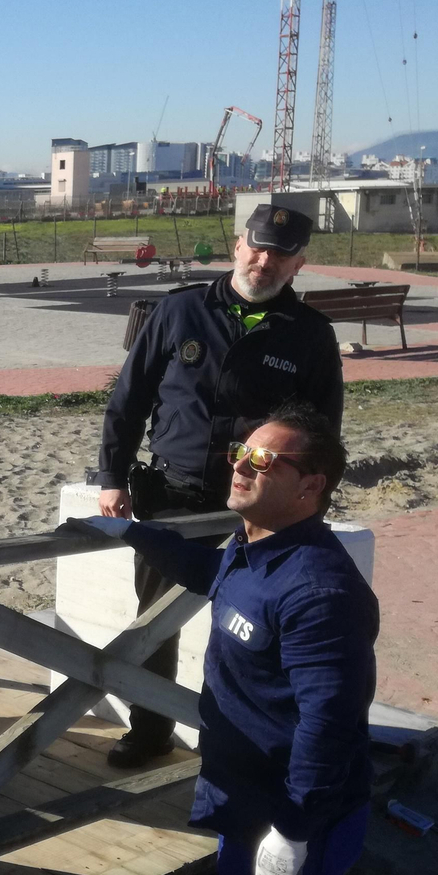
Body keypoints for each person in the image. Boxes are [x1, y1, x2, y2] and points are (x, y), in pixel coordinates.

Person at [76, 400, 376, 875]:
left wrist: (293, 829)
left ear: (311, 486)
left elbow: (330, 721)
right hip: (254, 802)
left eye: (265, 460)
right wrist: (131, 533)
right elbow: (206, 572)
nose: (241, 463)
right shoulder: (254, 548)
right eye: (241, 450)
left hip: (293, 816)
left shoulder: (317, 589)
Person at [94, 202, 343, 767]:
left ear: (298, 263)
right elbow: (127, 400)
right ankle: (150, 730)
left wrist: (311, 506)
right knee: (154, 623)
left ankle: (246, 741)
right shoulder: (180, 311)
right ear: (237, 245)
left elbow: (323, 432)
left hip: (265, 507)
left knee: (255, 626)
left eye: (280, 254)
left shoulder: (311, 335)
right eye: (257, 247)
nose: (265, 261)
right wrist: (111, 476)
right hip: (175, 495)